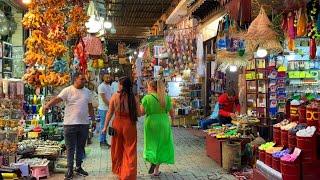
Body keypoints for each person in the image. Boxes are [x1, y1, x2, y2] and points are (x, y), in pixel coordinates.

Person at [43, 72, 94, 180]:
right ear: (75, 79)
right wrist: (47, 105)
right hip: (70, 124)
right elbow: (57, 99)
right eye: (82, 79)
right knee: (70, 148)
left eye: (84, 79)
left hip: (84, 124)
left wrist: (93, 120)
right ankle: (70, 169)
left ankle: (79, 167)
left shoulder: (87, 92)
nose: (84, 81)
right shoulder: (67, 90)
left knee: (81, 147)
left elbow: (90, 107)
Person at [102, 77, 139, 180]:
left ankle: (119, 171)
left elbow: (109, 113)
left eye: (119, 84)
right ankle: (129, 173)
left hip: (117, 124)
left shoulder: (115, 96)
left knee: (117, 148)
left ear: (122, 85)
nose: (118, 85)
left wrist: (105, 126)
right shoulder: (133, 98)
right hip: (130, 125)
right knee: (130, 149)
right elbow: (139, 113)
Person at [140, 79, 175, 176]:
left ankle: (152, 160)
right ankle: (156, 170)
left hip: (151, 122)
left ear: (151, 87)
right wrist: (172, 121)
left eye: (148, 86)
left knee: (151, 143)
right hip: (163, 122)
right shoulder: (166, 98)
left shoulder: (147, 98)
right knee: (162, 144)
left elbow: (141, 112)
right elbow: (172, 112)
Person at [97, 74, 113, 147]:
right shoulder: (101, 86)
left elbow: (111, 97)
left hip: (108, 108)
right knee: (103, 125)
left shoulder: (109, 86)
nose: (108, 78)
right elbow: (104, 99)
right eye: (106, 77)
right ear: (103, 78)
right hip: (103, 109)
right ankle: (102, 141)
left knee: (105, 125)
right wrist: (111, 105)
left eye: (109, 77)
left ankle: (104, 140)